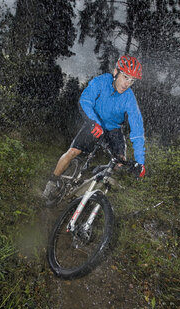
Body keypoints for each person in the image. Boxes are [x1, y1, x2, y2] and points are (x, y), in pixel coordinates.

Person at [43, 55, 146, 201]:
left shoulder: (129, 98)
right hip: (94, 122)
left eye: (132, 80)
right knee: (73, 151)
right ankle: (52, 181)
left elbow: (137, 130)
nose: (127, 83)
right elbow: (85, 101)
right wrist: (94, 122)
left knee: (120, 162)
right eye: (125, 77)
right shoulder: (101, 81)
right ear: (116, 71)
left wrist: (140, 162)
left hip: (114, 130)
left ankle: (92, 179)